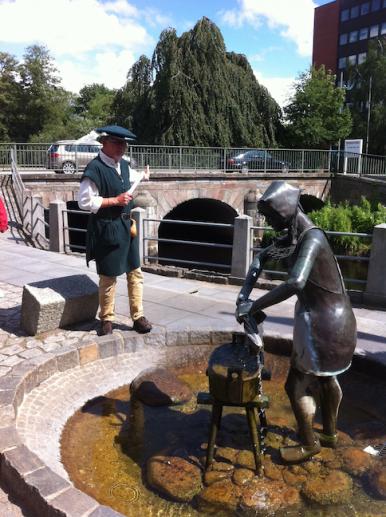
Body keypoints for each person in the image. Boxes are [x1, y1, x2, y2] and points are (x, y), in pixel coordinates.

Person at [236, 181, 356, 464]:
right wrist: (246, 288)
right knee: (327, 379)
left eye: (270, 215)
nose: (268, 221)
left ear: (285, 210)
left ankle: (308, 444)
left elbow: (296, 281)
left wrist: (254, 305)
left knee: (295, 385)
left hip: (323, 324)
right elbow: (262, 257)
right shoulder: (294, 235)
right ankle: (329, 434)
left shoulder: (311, 239)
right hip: (333, 320)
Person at [78, 125, 152, 335]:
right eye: (117, 143)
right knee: (108, 276)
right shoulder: (94, 169)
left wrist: (144, 175)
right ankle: (107, 319)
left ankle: (138, 317)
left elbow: (131, 178)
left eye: (124, 143)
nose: (122, 147)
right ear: (104, 143)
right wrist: (114, 201)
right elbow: (84, 202)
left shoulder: (125, 166)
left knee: (135, 273)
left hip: (127, 228)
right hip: (107, 229)